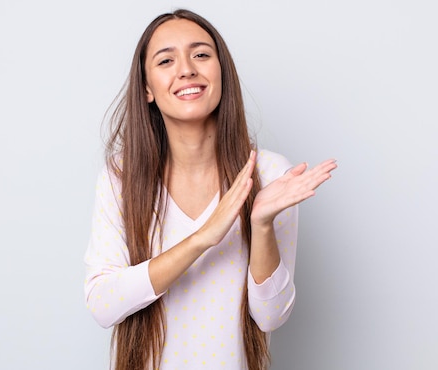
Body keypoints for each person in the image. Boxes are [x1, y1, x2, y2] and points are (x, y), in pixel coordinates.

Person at [84, 9, 337, 370]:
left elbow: (270, 316)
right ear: (147, 89)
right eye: (166, 60)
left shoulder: (270, 174)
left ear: (222, 73)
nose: (186, 69)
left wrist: (261, 224)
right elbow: (102, 303)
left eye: (201, 54)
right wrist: (203, 238)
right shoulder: (121, 177)